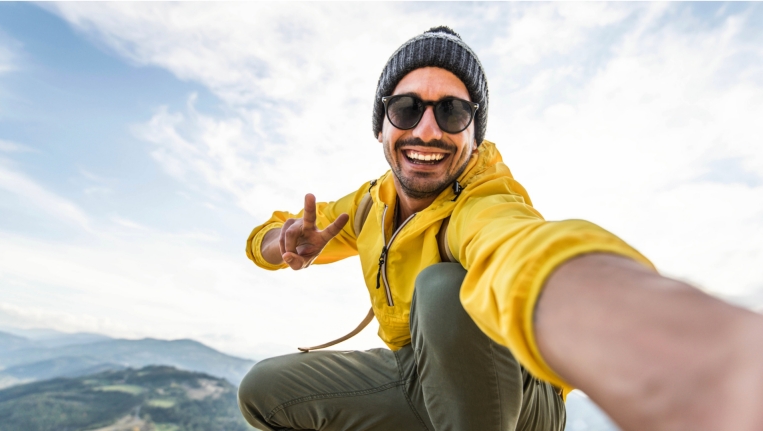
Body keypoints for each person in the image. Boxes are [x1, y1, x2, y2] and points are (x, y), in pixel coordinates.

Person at [239, 26, 763, 431]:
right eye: (406, 108)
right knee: (264, 390)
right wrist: (282, 240)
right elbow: (265, 239)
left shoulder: (482, 200)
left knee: (443, 289)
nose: (427, 129)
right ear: (382, 125)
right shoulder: (368, 203)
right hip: (419, 375)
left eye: (451, 112)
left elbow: (520, 249)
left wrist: (681, 355)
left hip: (516, 399)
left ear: (473, 134)